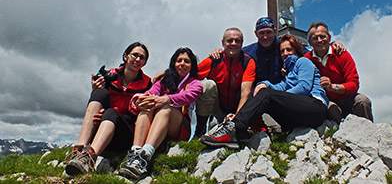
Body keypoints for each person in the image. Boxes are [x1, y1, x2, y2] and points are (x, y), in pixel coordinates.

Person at [200, 34, 328, 148]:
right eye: (282, 51)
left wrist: (272, 93)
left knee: (267, 95)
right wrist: (263, 84)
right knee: (261, 91)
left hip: (315, 107)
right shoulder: (288, 72)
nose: (285, 53)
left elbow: (303, 88)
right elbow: (280, 87)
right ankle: (240, 133)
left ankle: (233, 128)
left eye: (289, 49)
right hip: (298, 116)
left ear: (296, 50)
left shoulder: (303, 61)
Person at [65, 42, 152, 176]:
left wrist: (109, 114)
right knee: (100, 93)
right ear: (125, 56)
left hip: (125, 132)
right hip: (103, 125)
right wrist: (94, 89)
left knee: (112, 112)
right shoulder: (110, 77)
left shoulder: (147, 83)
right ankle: (79, 149)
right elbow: (98, 100)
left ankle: (89, 157)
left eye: (142, 57)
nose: (138, 60)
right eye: (135, 55)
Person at [118, 47, 203, 180]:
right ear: (173, 63)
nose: (182, 64)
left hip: (179, 126)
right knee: (147, 106)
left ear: (191, 65)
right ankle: (135, 152)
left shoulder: (196, 84)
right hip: (157, 119)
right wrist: (141, 99)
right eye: (178, 60)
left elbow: (187, 97)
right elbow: (151, 92)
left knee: (165, 108)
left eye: (186, 61)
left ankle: (145, 156)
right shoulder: (163, 81)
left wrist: (166, 99)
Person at [305, 21, 373, 123]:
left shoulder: (342, 54)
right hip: (326, 100)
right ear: (309, 42)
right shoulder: (306, 60)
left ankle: (369, 133)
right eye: (315, 38)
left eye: (322, 36)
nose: (319, 40)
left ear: (329, 37)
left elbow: (354, 83)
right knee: (331, 109)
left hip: (347, 98)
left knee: (363, 101)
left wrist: (332, 87)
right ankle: (336, 136)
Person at [194, 28, 256, 136]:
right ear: (223, 43)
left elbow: (245, 93)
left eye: (237, 41)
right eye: (229, 40)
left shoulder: (247, 62)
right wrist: (168, 73)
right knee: (208, 85)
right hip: (218, 107)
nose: (233, 43)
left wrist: (236, 119)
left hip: (237, 109)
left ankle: (236, 127)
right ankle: (200, 128)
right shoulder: (214, 60)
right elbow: (191, 75)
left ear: (242, 43)